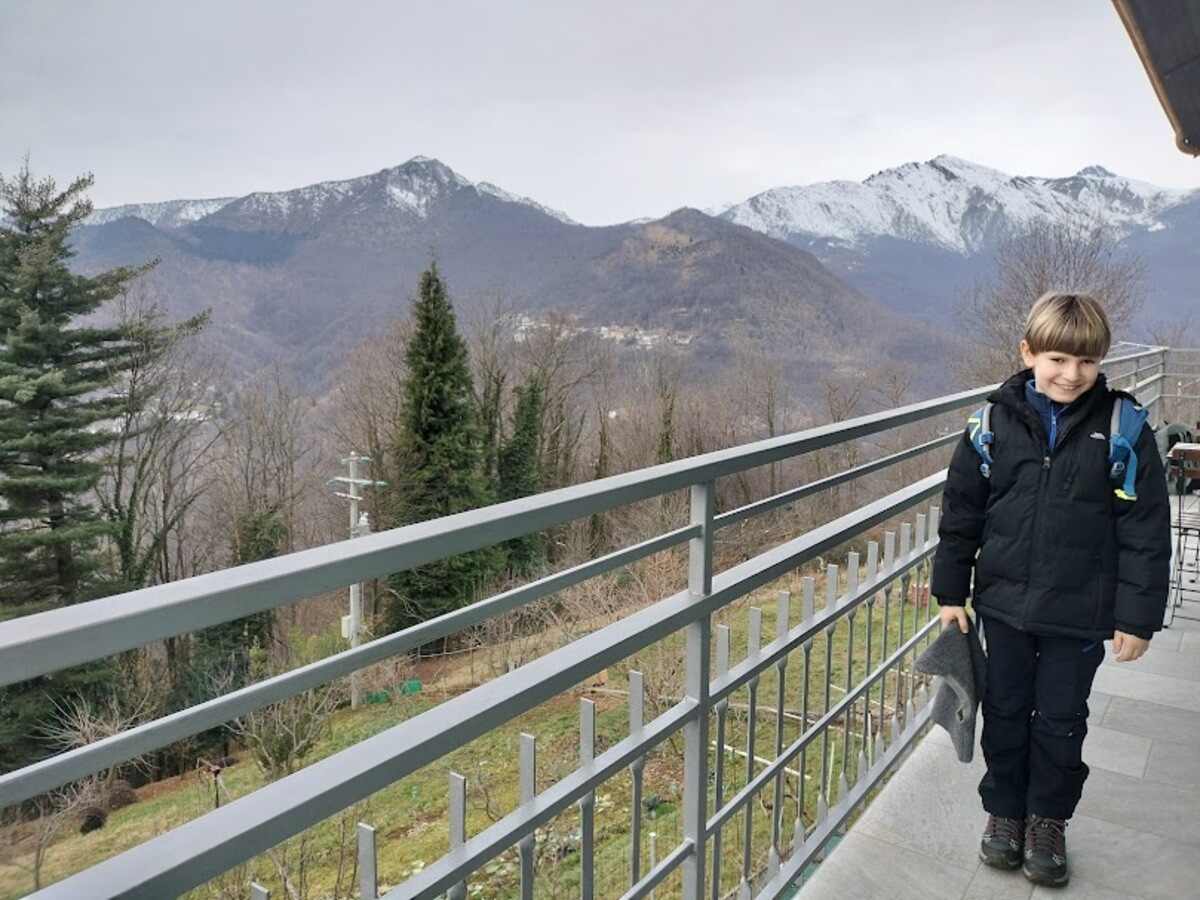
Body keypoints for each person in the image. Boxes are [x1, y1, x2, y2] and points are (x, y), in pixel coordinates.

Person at [931, 291, 1171, 888]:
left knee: (1062, 719)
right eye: (1058, 359)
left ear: (1100, 362)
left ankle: (1048, 820)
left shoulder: (1124, 428)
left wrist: (1137, 618)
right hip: (1004, 606)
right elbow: (962, 513)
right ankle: (1004, 814)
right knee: (1007, 712)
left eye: (1086, 362)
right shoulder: (991, 424)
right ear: (1029, 353)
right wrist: (948, 593)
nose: (1071, 374)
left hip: (1081, 611)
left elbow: (1145, 529)